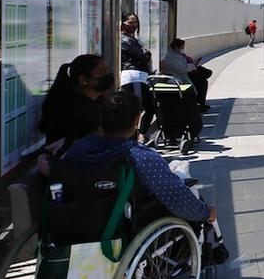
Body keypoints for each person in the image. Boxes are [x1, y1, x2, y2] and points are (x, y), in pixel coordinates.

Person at [64, 92, 226, 263]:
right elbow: (178, 200)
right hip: (127, 229)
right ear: (137, 121)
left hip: (79, 225)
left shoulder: (78, 150)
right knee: (184, 189)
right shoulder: (140, 157)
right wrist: (206, 211)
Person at [38, 54, 115, 149]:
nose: (107, 75)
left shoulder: (95, 102)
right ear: (83, 80)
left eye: (107, 70)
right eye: (101, 72)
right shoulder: (78, 110)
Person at [119, 13, 155, 137]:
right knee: (137, 109)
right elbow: (143, 56)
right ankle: (137, 137)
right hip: (133, 77)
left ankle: (139, 136)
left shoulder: (133, 39)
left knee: (145, 108)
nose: (134, 25)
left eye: (135, 22)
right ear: (122, 23)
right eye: (130, 23)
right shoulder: (124, 40)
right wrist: (146, 55)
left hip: (138, 77)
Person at [161, 38, 212, 109]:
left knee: (203, 77)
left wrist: (192, 65)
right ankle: (200, 103)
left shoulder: (175, 54)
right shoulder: (171, 57)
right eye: (182, 47)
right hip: (179, 78)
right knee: (203, 81)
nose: (183, 49)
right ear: (176, 47)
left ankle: (200, 103)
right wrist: (192, 66)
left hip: (183, 75)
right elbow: (182, 69)